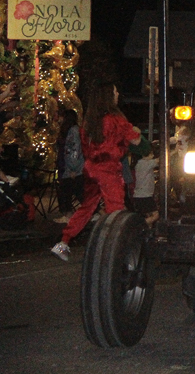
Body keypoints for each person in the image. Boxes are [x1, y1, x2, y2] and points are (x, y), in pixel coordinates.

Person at [51, 83, 141, 261]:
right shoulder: (115, 118)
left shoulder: (89, 121)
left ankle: (64, 241)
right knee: (116, 208)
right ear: (108, 96)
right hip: (108, 169)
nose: (117, 94)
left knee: (87, 207)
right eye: (115, 91)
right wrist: (135, 131)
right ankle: (116, 250)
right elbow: (136, 140)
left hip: (92, 168)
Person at [53, 109, 84, 224]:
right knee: (68, 191)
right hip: (65, 165)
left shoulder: (73, 131)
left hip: (70, 167)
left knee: (71, 191)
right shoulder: (67, 131)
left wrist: (73, 168)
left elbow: (74, 150)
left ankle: (69, 214)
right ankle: (68, 213)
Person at [132, 141, 160, 226]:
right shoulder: (146, 163)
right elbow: (160, 160)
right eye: (151, 154)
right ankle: (140, 225)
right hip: (145, 196)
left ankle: (146, 229)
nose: (152, 156)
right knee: (155, 215)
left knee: (148, 215)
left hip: (140, 195)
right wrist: (175, 151)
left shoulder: (139, 164)